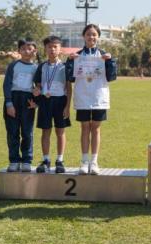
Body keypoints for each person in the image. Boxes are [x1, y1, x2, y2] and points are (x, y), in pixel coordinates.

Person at [66, 24, 117, 175]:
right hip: (82, 96)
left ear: (98, 37)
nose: (91, 37)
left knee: (95, 128)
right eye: (88, 34)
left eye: (94, 34)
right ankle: (84, 161)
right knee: (84, 128)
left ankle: (94, 162)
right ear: (84, 36)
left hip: (98, 96)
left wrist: (110, 62)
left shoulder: (104, 55)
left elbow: (111, 77)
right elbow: (70, 78)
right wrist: (70, 61)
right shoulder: (77, 56)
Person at [33, 36, 71, 174]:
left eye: (55, 47)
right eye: (49, 47)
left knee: (60, 131)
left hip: (60, 102)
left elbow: (69, 88)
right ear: (45, 49)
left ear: (60, 49)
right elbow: (38, 85)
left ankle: (60, 160)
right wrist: (37, 90)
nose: (52, 49)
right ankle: (46, 160)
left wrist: (67, 107)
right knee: (45, 131)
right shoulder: (41, 66)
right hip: (45, 102)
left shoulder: (65, 67)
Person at [3, 38, 38, 173]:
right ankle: (14, 160)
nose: (26, 51)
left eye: (30, 49)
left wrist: (36, 102)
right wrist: (9, 103)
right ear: (19, 51)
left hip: (28, 101)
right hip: (14, 99)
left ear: (34, 51)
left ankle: (27, 160)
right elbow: (7, 84)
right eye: (23, 49)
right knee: (13, 132)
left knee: (27, 132)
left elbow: (39, 86)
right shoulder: (13, 65)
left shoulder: (36, 68)